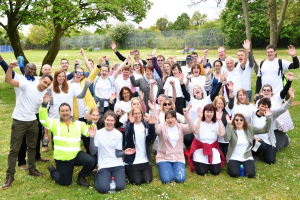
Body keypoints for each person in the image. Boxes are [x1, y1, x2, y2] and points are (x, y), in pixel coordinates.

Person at [2, 61, 53, 189]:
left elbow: (42, 111)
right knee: (14, 149)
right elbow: (8, 80)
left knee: (32, 147)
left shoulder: (45, 94)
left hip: (32, 121)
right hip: (19, 120)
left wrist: (45, 103)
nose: (45, 85)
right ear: (40, 79)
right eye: (44, 82)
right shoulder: (26, 85)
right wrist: (10, 67)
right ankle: (10, 176)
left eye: (48, 84)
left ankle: (32, 169)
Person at [40, 93, 96, 187]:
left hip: (76, 155)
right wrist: (44, 104)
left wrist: (90, 122)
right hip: (62, 158)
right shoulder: (54, 123)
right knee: (65, 182)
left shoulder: (79, 124)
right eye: (62, 111)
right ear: (59, 112)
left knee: (91, 160)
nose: (65, 113)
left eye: (67, 110)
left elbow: (89, 132)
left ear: (70, 111)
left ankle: (81, 177)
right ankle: (52, 170)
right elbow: (43, 120)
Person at [89, 111, 136, 193]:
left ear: (115, 121)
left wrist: (125, 152)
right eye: (108, 120)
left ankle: (109, 177)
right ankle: (97, 174)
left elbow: (117, 154)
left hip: (117, 164)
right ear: (104, 120)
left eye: (112, 120)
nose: (109, 122)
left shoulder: (118, 134)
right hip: (104, 164)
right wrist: (92, 137)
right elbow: (93, 152)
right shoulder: (98, 133)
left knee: (120, 187)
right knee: (104, 189)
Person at [154, 106, 195, 183]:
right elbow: (156, 131)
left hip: (178, 158)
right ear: (165, 119)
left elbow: (192, 129)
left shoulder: (181, 127)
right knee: (167, 180)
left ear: (176, 118)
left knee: (180, 179)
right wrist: (157, 115)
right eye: (168, 118)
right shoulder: (162, 127)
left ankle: (172, 168)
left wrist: (187, 116)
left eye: (172, 117)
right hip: (163, 158)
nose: (170, 120)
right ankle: (167, 168)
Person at [251, 92, 294, 164]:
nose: (263, 108)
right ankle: (255, 154)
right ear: (258, 105)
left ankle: (265, 152)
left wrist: (290, 99)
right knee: (260, 144)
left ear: (269, 108)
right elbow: (249, 130)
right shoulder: (252, 115)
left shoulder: (271, 114)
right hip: (256, 140)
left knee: (270, 161)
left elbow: (282, 109)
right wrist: (255, 138)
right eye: (262, 106)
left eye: (266, 107)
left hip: (268, 141)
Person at [225, 112, 272, 178]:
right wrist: (229, 124)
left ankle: (253, 157)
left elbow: (265, 130)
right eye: (237, 120)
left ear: (244, 121)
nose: (239, 121)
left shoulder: (249, 128)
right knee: (234, 174)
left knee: (250, 174)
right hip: (233, 157)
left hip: (246, 156)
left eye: (241, 120)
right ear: (234, 121)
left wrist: (268, 118)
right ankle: (235, 166)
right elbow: (226, 139)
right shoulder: (231, 128)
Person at [188, 104, 225, 176]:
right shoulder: (198, 121)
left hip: (212, 149)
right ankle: (201, 163)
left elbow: (221, 134)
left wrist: (220, 120)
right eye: (207, 112)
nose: (209, 114)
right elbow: (196, 132)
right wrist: (199, 118)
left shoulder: (216, 122)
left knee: (215, 171)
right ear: (204, 112)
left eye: (211, 112)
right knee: (202, 172)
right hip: (200, 149)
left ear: (214, 113)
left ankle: (211, 164)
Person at [124, 107, 156, 185]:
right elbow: (128, 138)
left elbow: (151, 138)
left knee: (147, 180)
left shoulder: (145, 125)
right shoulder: (128, 126)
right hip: (132, 160)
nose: (137, 115)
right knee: (137, 181)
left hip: (144, 159)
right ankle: (127, 170)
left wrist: (151, 126)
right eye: (135, 113)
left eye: (139, 113)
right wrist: (131, 124)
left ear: (142, 114)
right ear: (132, 115)